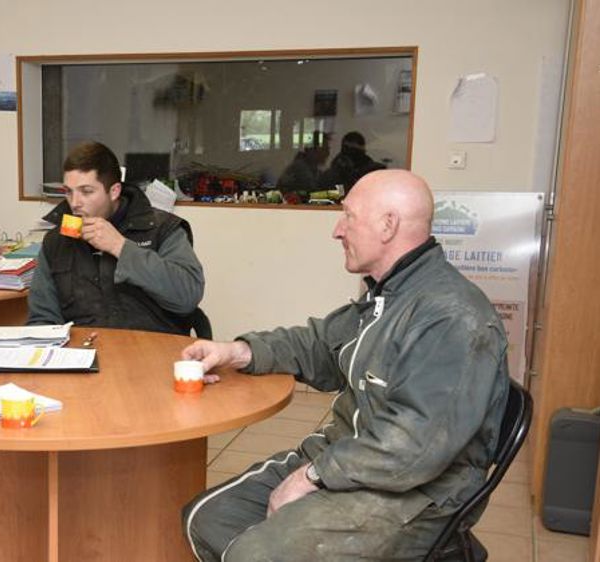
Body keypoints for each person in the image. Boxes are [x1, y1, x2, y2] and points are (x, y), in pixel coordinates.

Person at [181, 169, 510, 561]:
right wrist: (238, 351)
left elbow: (412, 448)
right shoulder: (391, 293)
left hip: (420, 495)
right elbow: (321, 343)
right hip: (353, 458)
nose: (337, 230)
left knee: (257, 554)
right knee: (208, 518)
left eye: (349, 216)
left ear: (388, 225)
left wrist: (313, 475)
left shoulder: (452, 317)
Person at [27, 141, 205, 334]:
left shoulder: (163, 229)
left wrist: (120, 247)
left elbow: (187, 296)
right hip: (84, 353)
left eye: (86, 192)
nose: (75, 203)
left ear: (114, 191)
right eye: (69, 192)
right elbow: (42, 319)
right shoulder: (56, 241)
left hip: (152, 349)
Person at [319, 131, 387, 193]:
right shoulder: (333, 175)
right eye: (349, 149)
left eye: (355, 150)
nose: (353, 154)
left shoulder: (374, 172)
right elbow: (336, 194)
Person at [275, 132, 331, 199]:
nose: (327, 153)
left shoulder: (314, 170)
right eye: (324, 149)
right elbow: (313, 193)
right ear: (312, 150)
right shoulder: (300, 169)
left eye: (327, 149)